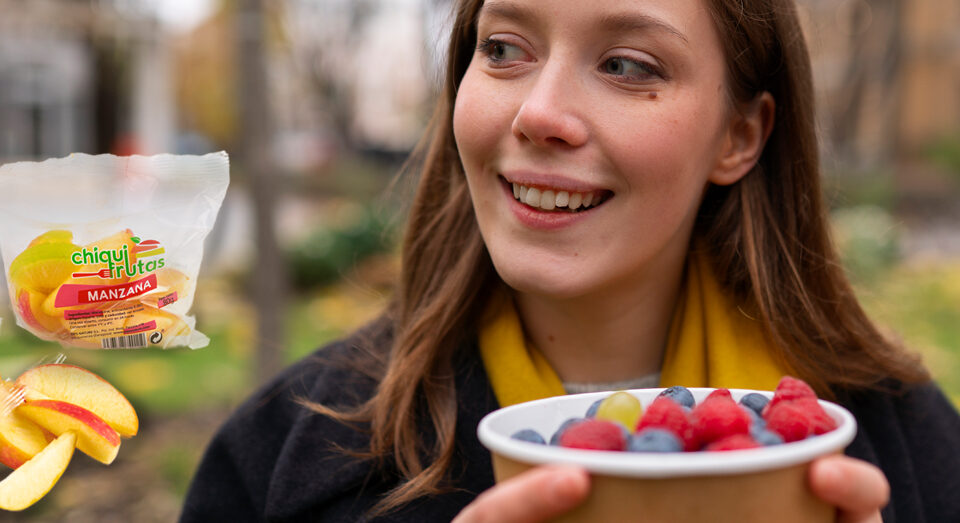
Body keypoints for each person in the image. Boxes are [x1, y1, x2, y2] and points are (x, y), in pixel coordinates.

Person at [180, 0, 960, 521]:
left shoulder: (912, 445)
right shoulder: (280, 456)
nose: (539, 112)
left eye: (627, 65)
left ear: (740, 136)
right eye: (504, 48)